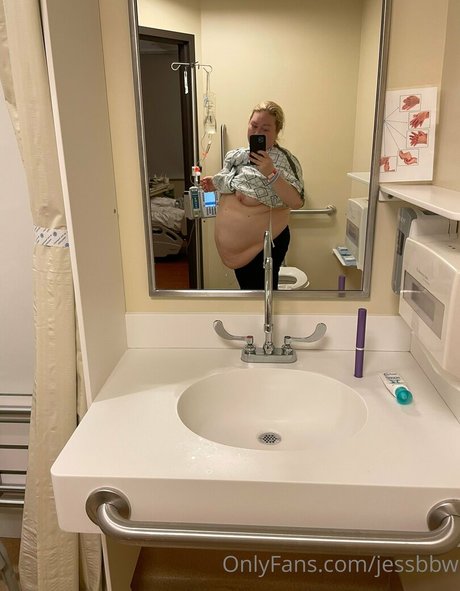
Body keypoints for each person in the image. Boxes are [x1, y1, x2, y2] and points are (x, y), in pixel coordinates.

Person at [200, 101, 305, 290]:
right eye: (254, 125)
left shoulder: (284, 160)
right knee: (249, 299)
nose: (257, 133)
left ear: (277, 131)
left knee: (261, 302)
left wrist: (271, 172)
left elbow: (296, 201)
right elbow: (235, 183)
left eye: (265, 129)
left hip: (263, 248)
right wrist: (215, 182)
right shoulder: (238, 156)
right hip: (241, 250)